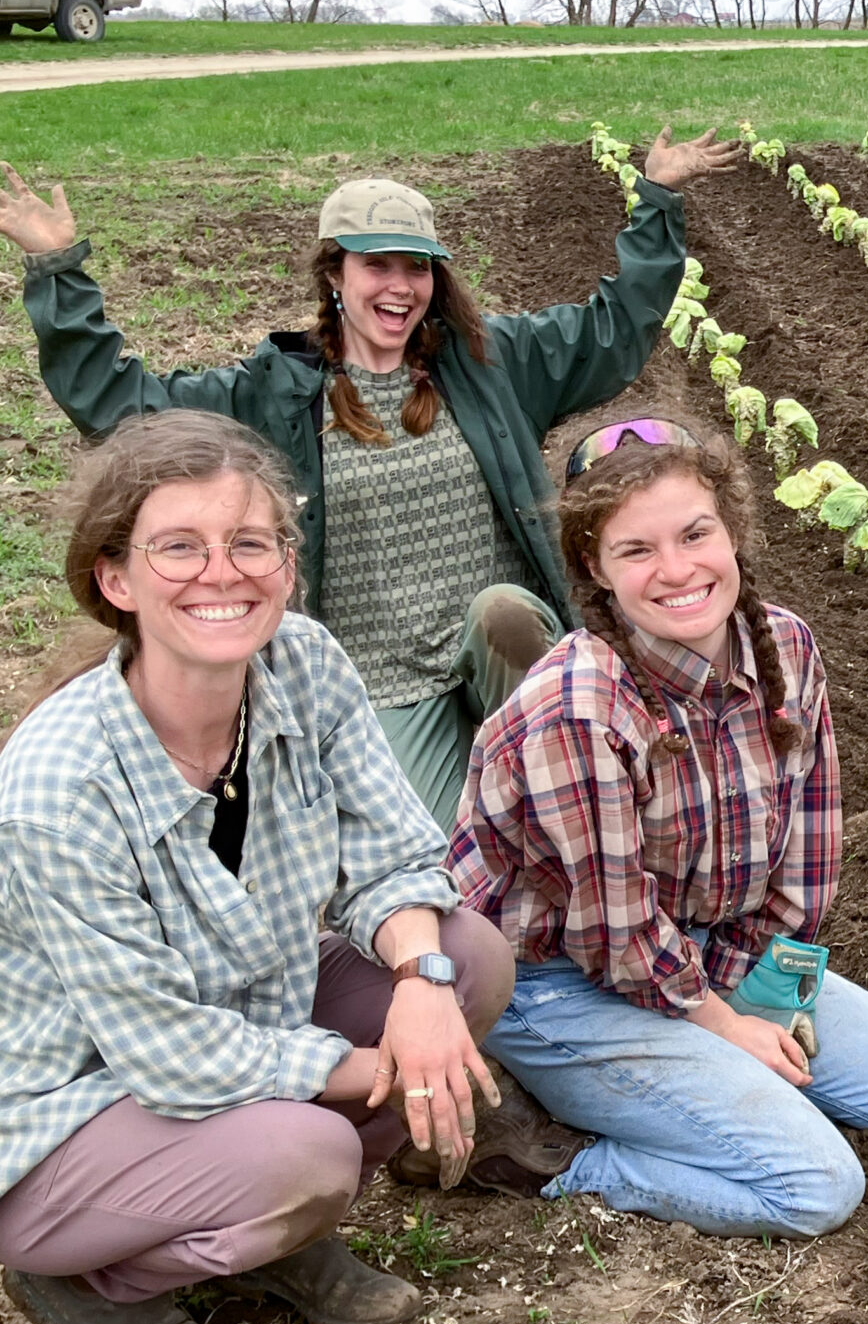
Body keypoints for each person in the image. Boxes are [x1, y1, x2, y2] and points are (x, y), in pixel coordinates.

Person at [0, 125, 742, 824]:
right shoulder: (274, 397)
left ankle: (574, 793)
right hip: (380, 680)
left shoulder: (491, 363)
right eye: (376, 265)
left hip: (506, 653)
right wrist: (58, 272)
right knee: (440, 848)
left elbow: (614, 329)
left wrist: (657, 199)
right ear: (334, 273)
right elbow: (123, 406)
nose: (400, 286)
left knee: (507, 633)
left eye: (416, 267)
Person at [0, 412, 517, 1324]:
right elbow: (167, 1053)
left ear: (287, 561)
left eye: (251, 542)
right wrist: (391, 1067)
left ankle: (263, 1235)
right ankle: (78, 1274)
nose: (222, 573)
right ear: (117, 579)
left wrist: (421, 980)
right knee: (311, 1153)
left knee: (470, 958)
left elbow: (390, 845)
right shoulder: (60, 787)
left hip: (239, 1024)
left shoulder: (304, 665)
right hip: (66, 1108)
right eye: (180, 548)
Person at [451, 419, 868, 1239]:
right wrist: (724, 1028)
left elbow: (810, 842)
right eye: (637, 550)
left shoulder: (783, 646)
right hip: (556, 981)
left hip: (702, 944)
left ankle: (677, 1091)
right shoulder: (579, 710)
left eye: (695, 534)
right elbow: (615, 935)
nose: (678, 570)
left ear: (733, 531)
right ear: (595, 570)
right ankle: (548, 1153)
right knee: (815, 1185)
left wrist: (766, 989)